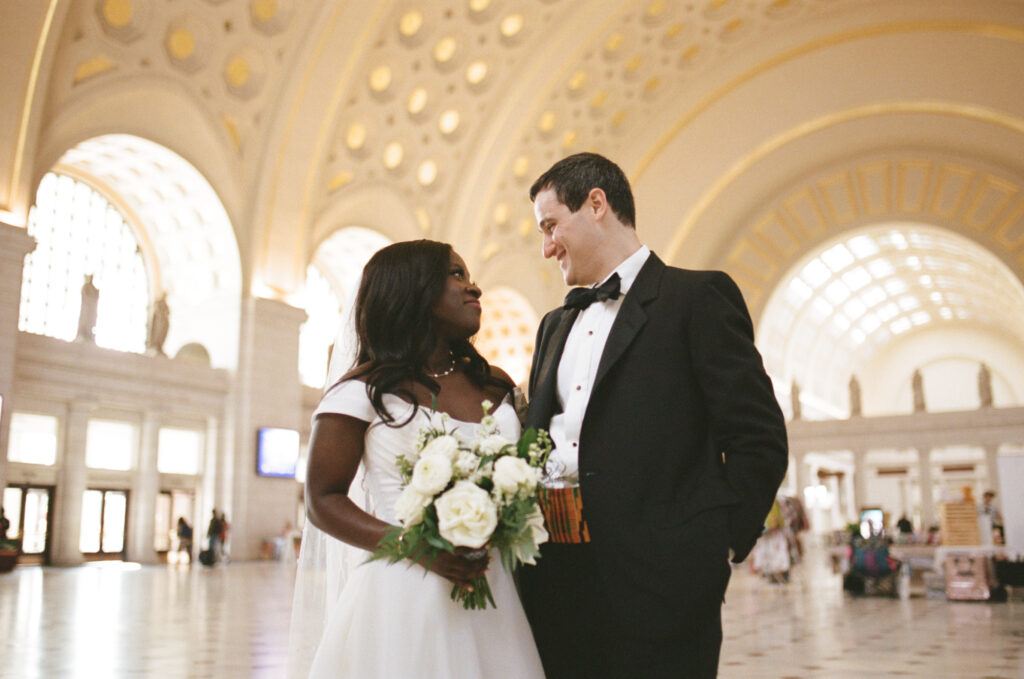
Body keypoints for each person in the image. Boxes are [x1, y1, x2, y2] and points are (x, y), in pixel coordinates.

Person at [520, 152, 788, 678]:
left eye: (551, 225)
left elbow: (758, 435)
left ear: (596, 204)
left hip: (664, 581)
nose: (546, 246)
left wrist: (715, 545)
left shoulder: (696, 297)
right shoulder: (554, 323)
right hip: (556, 578)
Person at [296, 240, 544, 678]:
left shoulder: (495, 385)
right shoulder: (363, 391)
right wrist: (417, 546)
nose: (475, 289)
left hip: (494, 587)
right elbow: (322, 499)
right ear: (413, 291)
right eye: (456, 275)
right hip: (404, 594)